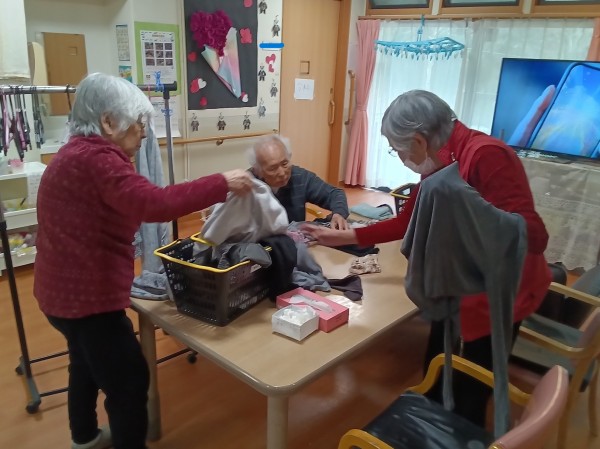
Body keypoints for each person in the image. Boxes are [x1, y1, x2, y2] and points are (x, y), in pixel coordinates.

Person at [303, 90, 552, 427]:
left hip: (497, 294)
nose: (400, 157)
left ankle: (460, 433)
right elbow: (407, 222)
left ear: (419, 141)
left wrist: (475, 211)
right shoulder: (439, 163)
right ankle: (430, 417)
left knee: (471, 391)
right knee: (436, 367)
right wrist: (341, 237)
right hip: (455, 286)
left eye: (398, 150)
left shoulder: (487, 156)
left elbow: (535, 236)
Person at [33, 73, 253, 449]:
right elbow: (154, 204)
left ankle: (84, 438)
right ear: (108, 122)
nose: (145, 133)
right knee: (129, 381)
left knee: (84, 363)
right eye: (139, 123)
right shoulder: (98, 160)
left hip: (58, 296)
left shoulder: (70, 155)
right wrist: (221, 182)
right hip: (87, 302)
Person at [248, 134, 350, 229]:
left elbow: (334, 193)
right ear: (258, 170)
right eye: (273, 168)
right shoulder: (247, 184)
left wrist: (338, 214)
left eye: (284, 163)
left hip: (296, 239)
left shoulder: (299, 177)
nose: (282, 173)